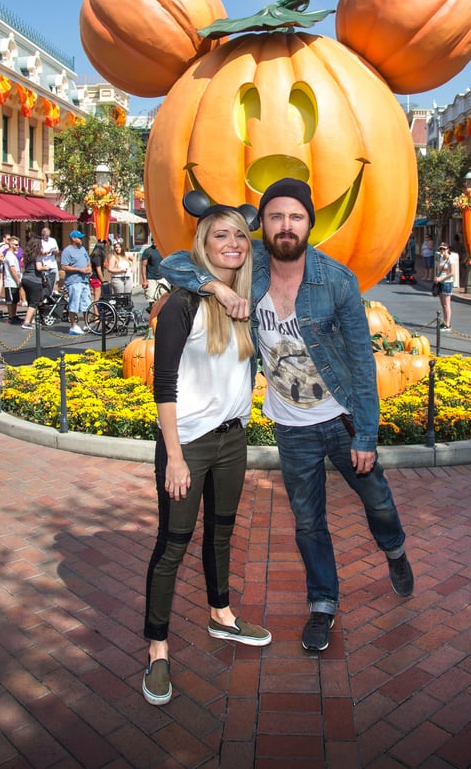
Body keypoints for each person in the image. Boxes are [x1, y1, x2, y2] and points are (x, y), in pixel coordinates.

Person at [160, 177, 413, 654]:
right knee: (307, 521)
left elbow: (362, 360)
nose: (285, 225)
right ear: (266, 226)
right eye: (275, 216)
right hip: (291, 425)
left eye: (295, 216)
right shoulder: (250, 270)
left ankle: (394, 550)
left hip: (340, 418)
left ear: (309, 224)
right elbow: (173, 262)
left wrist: (366, 433)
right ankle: (323, 605)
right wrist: (215, 286)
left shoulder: (337, 279)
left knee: (377, 500)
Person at [142, 204, 271, 706]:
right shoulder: (181, 303)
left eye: (239, 236)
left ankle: (221, 616)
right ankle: (157, 650)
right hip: (188, 445)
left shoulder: (249, 294)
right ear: (204, 242)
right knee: (172, 544)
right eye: (221, 236)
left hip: (232, 440)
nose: (233, 245)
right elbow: (164, 383)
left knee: (221, 535)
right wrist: (174, 456)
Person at [59, 230, 92, 335]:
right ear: (73, 239)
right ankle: (73, 325)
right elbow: (64, 266)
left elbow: (88, 261)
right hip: (74, 281)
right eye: (79, 238)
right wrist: (79, 270)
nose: (81, 239)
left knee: (87, 303)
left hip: (84, 280)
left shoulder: (82, 249)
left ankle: (87, 324)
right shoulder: (67, 251)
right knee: (74, 303)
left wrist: (89, 268)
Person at [20, 238, 46, 330]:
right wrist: (46, 267)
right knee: (34, 302)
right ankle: (26, 322)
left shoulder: (26, 255)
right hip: (34, 280)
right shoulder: (37, 255)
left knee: (30, 301)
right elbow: (39, 268)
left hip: (25, 279)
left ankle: (33, 321)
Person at [2, 236, 23, 325]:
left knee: (15, 300)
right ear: (10, 244)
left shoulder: (13, 255)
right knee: (10, 301)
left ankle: (14, 315)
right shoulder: (9, 255)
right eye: (16, 245)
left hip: (14, 281)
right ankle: (10, 317)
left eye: (18, 245)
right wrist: (18, 280)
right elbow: (12, 269)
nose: (17, 246)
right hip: (10, 281)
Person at [434, 242, 454, 331]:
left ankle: (448, 324)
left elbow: (452, 273)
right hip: (441, 282)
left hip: (447, 283)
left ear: (448, 250)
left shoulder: (450, 259)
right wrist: (438, 278)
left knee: (446, 304)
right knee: (443, 304)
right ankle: (444, 322)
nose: (442, 251)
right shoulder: (441, 258)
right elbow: (441, 271)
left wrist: (442, 279)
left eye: (444, 249)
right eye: (441, 249)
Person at [40, 227, 60, 296]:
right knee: (45, 280)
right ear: (42, 235)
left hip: (53, 263)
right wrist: (43, 253)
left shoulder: (53, 240)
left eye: (48, 235)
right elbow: (37, 252)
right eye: (45, 236)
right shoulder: (40, 241)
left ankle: (55, 294)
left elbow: (57, 250)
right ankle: (45, 295)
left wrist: (55, 251)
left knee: (55, 279)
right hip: (44, 263)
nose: (47, 237)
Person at [0, 232, 12, 303]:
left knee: (1, 279)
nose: (9, 240)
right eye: (8, 239)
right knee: (3, 280)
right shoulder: (6, 246)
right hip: (3, 264)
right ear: (4, 239)